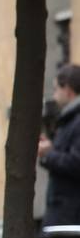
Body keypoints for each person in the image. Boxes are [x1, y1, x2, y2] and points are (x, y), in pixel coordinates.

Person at [40, 63, 80, 227]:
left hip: (71, 216)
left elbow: (76, 163)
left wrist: (49, 154)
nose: (54, 96)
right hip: (65, 213)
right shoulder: (69, 119)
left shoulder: (76, 120)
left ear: (68, 90)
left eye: (56, 89)